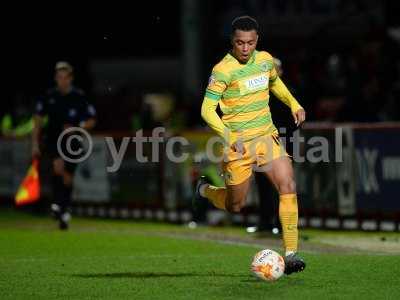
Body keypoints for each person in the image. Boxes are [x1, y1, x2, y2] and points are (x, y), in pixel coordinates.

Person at [194, 16, 306, 275]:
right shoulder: (223, 70)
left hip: (267, 137)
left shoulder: (265, 60)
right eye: (240, 43)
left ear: (257, 41)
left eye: (250, 43)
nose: (245, 48)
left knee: (287, 184)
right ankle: (205, 191)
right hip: (238, 145)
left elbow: (275, 83)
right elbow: (207, 110)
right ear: (232, 41)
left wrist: (294, 103)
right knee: (236, 205)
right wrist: (229, 136)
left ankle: (291, 254)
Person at [32, 61, 96, 230]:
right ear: (56, 78)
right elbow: (37, 121)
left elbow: (91, 120)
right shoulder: (49, 96)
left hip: (72, 142)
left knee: (67, 176)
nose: (62, 81)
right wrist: (34, 143)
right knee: (57, 166)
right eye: (59, 77)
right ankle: (59, 205)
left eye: (65, 77)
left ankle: (63, 207)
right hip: (53, 141)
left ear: (71, 78)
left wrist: (77, 127)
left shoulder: (79, 96)